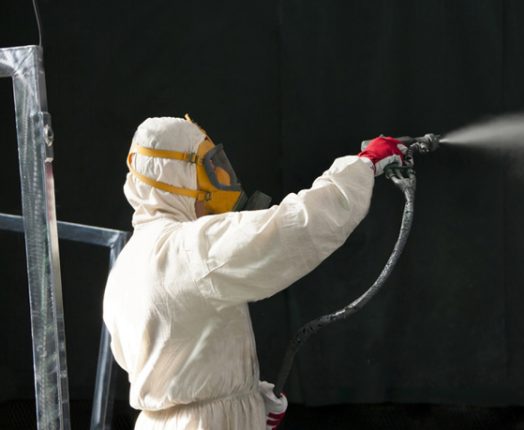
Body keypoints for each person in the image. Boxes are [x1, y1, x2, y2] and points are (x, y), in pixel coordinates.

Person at [103, 116, 406, 429]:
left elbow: (174, 358)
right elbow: (294, 228)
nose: (220, 177)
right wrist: (362, 166)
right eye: (207, 167)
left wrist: (247, 401)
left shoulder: (127, 264)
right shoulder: (190, 248)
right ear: (175, 174)